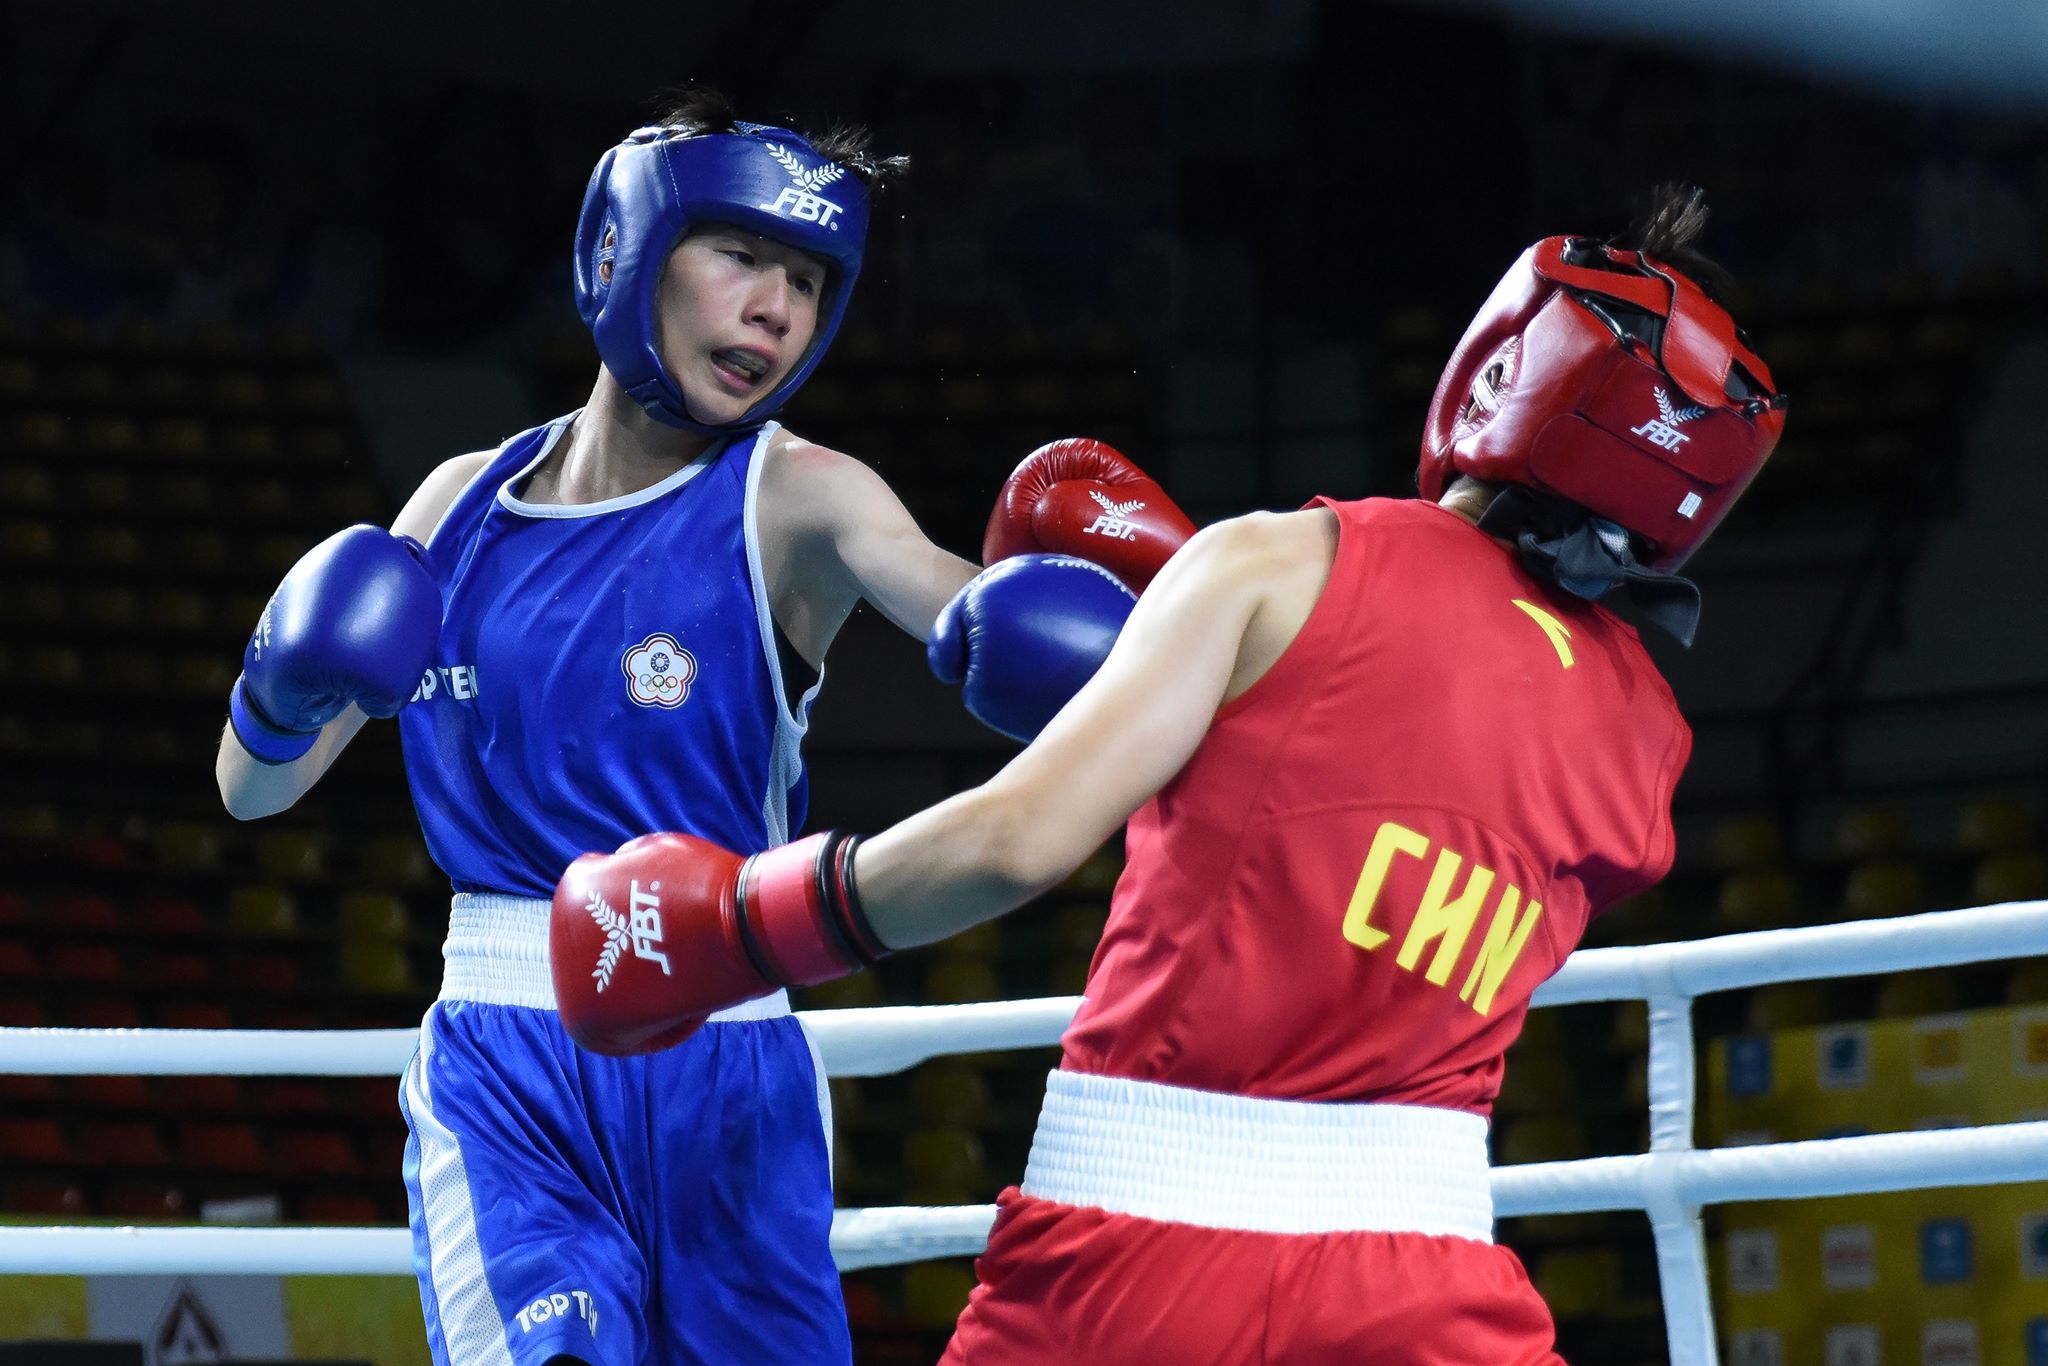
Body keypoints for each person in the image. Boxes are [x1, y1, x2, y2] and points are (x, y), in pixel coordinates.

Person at [548, 186, 1788, 1364]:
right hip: (1428, 1277)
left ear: (1503, 363)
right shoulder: (1647, 743)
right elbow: (1397, 816)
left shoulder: (1272, 562)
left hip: (1130, 1254)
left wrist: (732, 926)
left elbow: (1012, 843)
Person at [213, 88, 1193, 1366]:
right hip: (511, 1066)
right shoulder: (457, 507)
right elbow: (252, 791)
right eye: (739, 255)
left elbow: (960, 605)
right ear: (623, 249)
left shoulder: (798, 496)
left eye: (805, 279)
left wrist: (1163, 632)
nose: (775, 310)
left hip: (732, 1057)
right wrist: (281, 687)